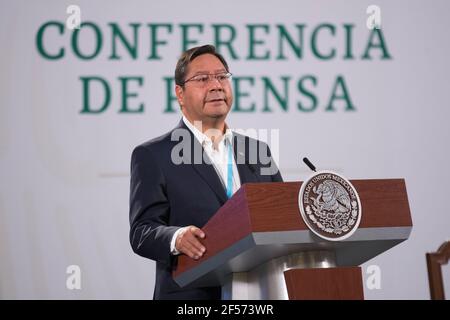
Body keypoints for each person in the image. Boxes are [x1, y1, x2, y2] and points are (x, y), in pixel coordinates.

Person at [129, 44, 283, 300]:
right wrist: (176, 237)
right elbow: (141, 232)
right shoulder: (153, 155)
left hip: (260, 293)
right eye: (202, 79)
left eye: (222, 76)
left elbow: (280, 219)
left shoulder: (258, 151)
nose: (216, 85)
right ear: (180, 93)